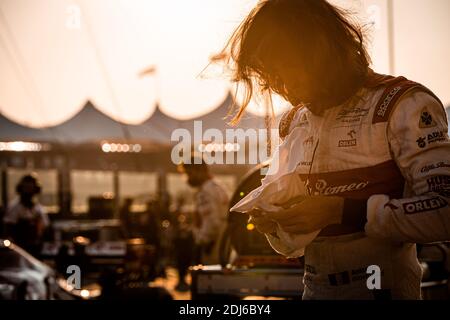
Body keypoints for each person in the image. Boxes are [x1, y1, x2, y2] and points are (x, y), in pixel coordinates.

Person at [219, 0, 450, 299]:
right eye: (269, 77)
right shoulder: (295, 121)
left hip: (384, 289)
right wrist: (276, 222)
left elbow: (445, 210)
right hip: (313, 291)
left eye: (284, 72)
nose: (280, 87)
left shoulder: (401, 104)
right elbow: (291, 245)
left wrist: (342, 211)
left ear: (318, 51)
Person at [178, 156, 229, 266]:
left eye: (189, 173)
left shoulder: (205, 192)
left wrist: (201, 241)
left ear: (200, 171)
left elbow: (212, 223)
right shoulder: (218, 186)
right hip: (225, 245)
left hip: (212, 249)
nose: (187, 178)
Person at [3, 174, 50, 257]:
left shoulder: (38, 208)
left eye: (31, 188)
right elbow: (9, 227)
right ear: (21, 189)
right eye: (26, 188)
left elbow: (45, 225)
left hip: (36, 247)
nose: (29, 191)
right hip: (20, 248)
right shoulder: (14, 207)